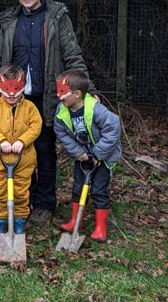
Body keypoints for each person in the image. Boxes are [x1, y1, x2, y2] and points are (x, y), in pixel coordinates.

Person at [0, 0, 97, 224]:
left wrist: (85, 92)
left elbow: (72, 56)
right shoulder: (9, 22)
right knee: (18, 151)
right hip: (13, 98)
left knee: (45, 150)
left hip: (46, 96)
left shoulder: (57, 18)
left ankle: (45, 203)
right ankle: (21, 200)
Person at [53, 69, 122, 241]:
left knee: (98, 190)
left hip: (103, 158)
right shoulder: (62, 111)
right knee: (78, 187)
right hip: (83, 157)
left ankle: (100, 228)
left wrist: (98, 154)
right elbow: (61, 132)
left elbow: (113, 129)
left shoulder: (96, 110)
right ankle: (76, 221)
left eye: (63, 93)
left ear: (77, 94)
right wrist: (79, 153)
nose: (59, 96)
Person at [0, 65, 42, 244]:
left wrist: (22, 141)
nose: (11, 94)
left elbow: (35, 126)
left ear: (23, 86)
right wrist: (1, 141)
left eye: (16, 89)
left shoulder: (30, 107)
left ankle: (19, 223)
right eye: (6, 90)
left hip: (23, 160)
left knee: (21, 192)